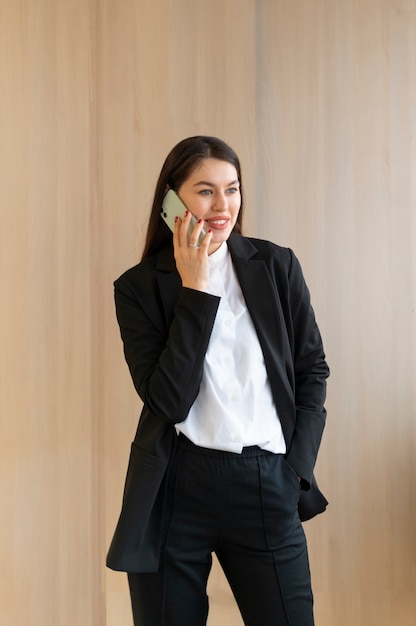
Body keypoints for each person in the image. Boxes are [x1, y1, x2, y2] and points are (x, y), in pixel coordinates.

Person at [106, 136, 330, 626]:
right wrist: (196, 291)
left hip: (267, 482)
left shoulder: (276, 266)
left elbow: (312, 371)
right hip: (175, 487)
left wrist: (297, 468)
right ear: (172, 200)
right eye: (205, 191)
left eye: (232, 189)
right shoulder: (139, 288)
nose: (222, 205)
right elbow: (169, 400)